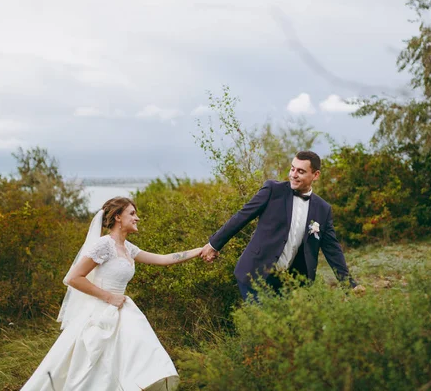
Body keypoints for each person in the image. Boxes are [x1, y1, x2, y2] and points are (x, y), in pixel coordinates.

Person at [21, 197, 203, 391]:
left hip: (123, 312)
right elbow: (73, 278)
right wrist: (108, 297)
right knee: (93, 368)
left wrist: (201, 250)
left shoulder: (128, 248)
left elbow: (164, 259)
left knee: (136, 357)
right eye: (132, 214)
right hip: (100, 312)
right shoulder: (104, 245)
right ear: (117, 217)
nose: (137, 218)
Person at [201, 151, 363, 300]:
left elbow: (332, 250)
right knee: (265, 325)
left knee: (286, 328)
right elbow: (242, 216)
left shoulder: (323, 209)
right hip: (254, 274)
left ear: (316, 175)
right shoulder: (273, 190)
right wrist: (214, 244)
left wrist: (349, 285)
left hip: (288, 283)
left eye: (301, 171)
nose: (293, 175)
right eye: (292, 169)